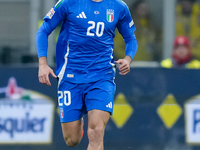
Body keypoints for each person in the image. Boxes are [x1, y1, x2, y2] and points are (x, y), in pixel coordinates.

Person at [36, 0, 138, 149]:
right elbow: (43, 30)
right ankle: (80, 119)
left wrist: (128, 59)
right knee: (72, 139)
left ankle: (91, 117)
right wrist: (42, 64)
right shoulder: (68, 3)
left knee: (96, 130)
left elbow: (130, 38)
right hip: (71, 76)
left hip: (102, 76)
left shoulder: (118, 6)